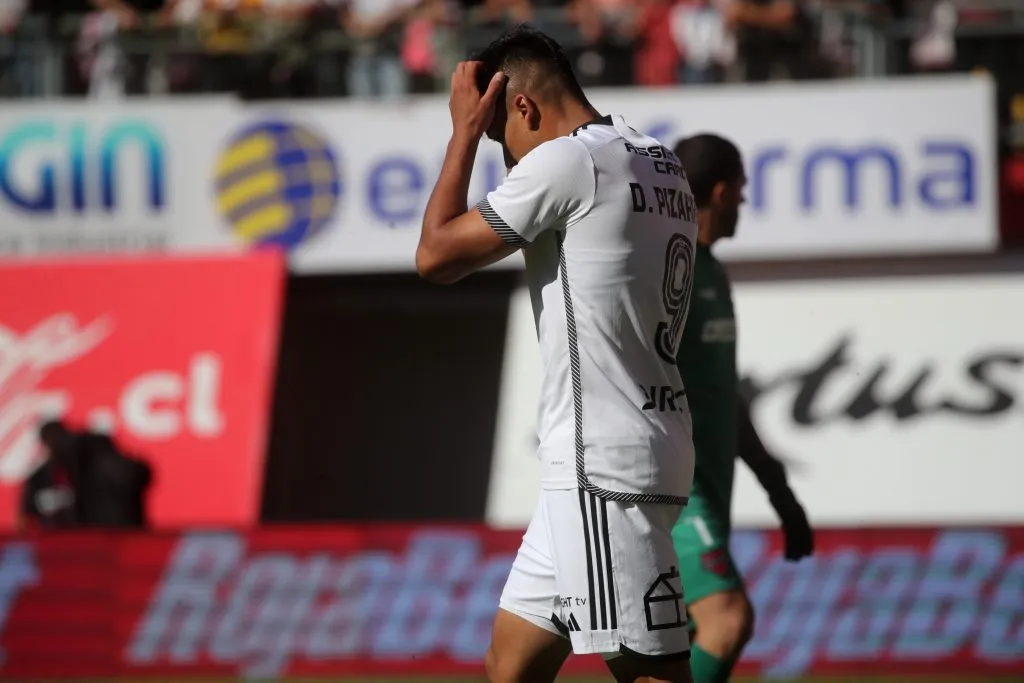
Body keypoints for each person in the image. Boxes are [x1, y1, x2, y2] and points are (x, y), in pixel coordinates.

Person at [416, 25, 699, 683]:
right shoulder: (656, 158)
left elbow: (435, 255)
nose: (507, 159)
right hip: (634, 442)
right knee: (511, 663)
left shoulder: (568, 161)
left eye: (501, 137)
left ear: (523, 105)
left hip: (600, 462)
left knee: (651, 670)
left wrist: (462, 132)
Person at [669, 133, 814, 683]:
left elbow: (724, 397)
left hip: (711, 491)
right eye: (743, 190)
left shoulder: (712, 272)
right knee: (728, 619)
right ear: (723, 192)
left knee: (679, 649)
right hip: (675, 493)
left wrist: (781, 494)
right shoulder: (667, 271)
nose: (745, 203)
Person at [18, 421, 81, 531]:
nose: (56, 444)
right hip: (48, 538)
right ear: (44, 443)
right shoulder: (37, 479)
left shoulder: (86, 475)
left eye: (60, 439)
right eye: (51, 440)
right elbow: (25, 519)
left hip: (82, 537)